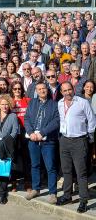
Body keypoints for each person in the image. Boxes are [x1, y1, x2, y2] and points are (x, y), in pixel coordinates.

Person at [57, 81, 96, 213]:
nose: (68, 92)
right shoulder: (60, 103)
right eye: (65, 91)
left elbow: (91, 120)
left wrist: (89, 136)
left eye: (69, 89)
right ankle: (67, 195)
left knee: (81, 172)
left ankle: (83, 200)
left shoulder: (82, 102)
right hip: (64, 140)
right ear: (61, 92)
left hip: (79, 140)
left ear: (73, 89)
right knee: (66, 170)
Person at [24, 81, 60, 204]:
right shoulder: (32, 103)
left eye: (43, 88)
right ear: (36, 91)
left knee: (50, 167)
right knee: (35, 165)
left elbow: (56, 121)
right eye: (39, 89)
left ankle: (52, 193)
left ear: (47, 89)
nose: (41, 91)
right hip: (33, 139)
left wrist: (42, 133)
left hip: (48, 140)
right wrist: (31, 132)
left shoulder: (54, 104)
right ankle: (36, 189)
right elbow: (27, 118)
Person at [10, 81, 31, 191]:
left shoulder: (27, 100)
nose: (17, 91)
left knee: (26, 157)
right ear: (12, 90)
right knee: (14, 157)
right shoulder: (9, 102)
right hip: (13, 132)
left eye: (19, 88)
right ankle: (13, 181)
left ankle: (27, 181)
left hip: (25, 131)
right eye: (15, 89)